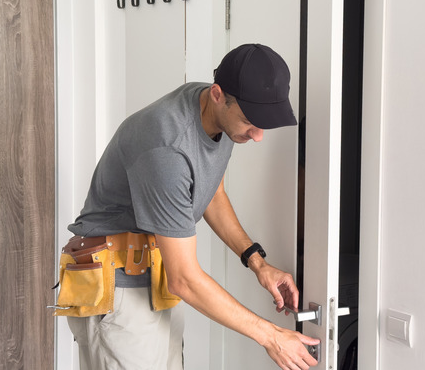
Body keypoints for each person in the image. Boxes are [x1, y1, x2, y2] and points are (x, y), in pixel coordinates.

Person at [63, 43, 320, 370]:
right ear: (217, 95)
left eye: (264, 123)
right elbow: (184, 278)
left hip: (155, 274)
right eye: (250, 121)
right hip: (117, 288)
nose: (257, 136)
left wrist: (257, 262)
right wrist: (271, 336)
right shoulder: (166, 146)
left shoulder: (217, 116)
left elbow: (211, 193)